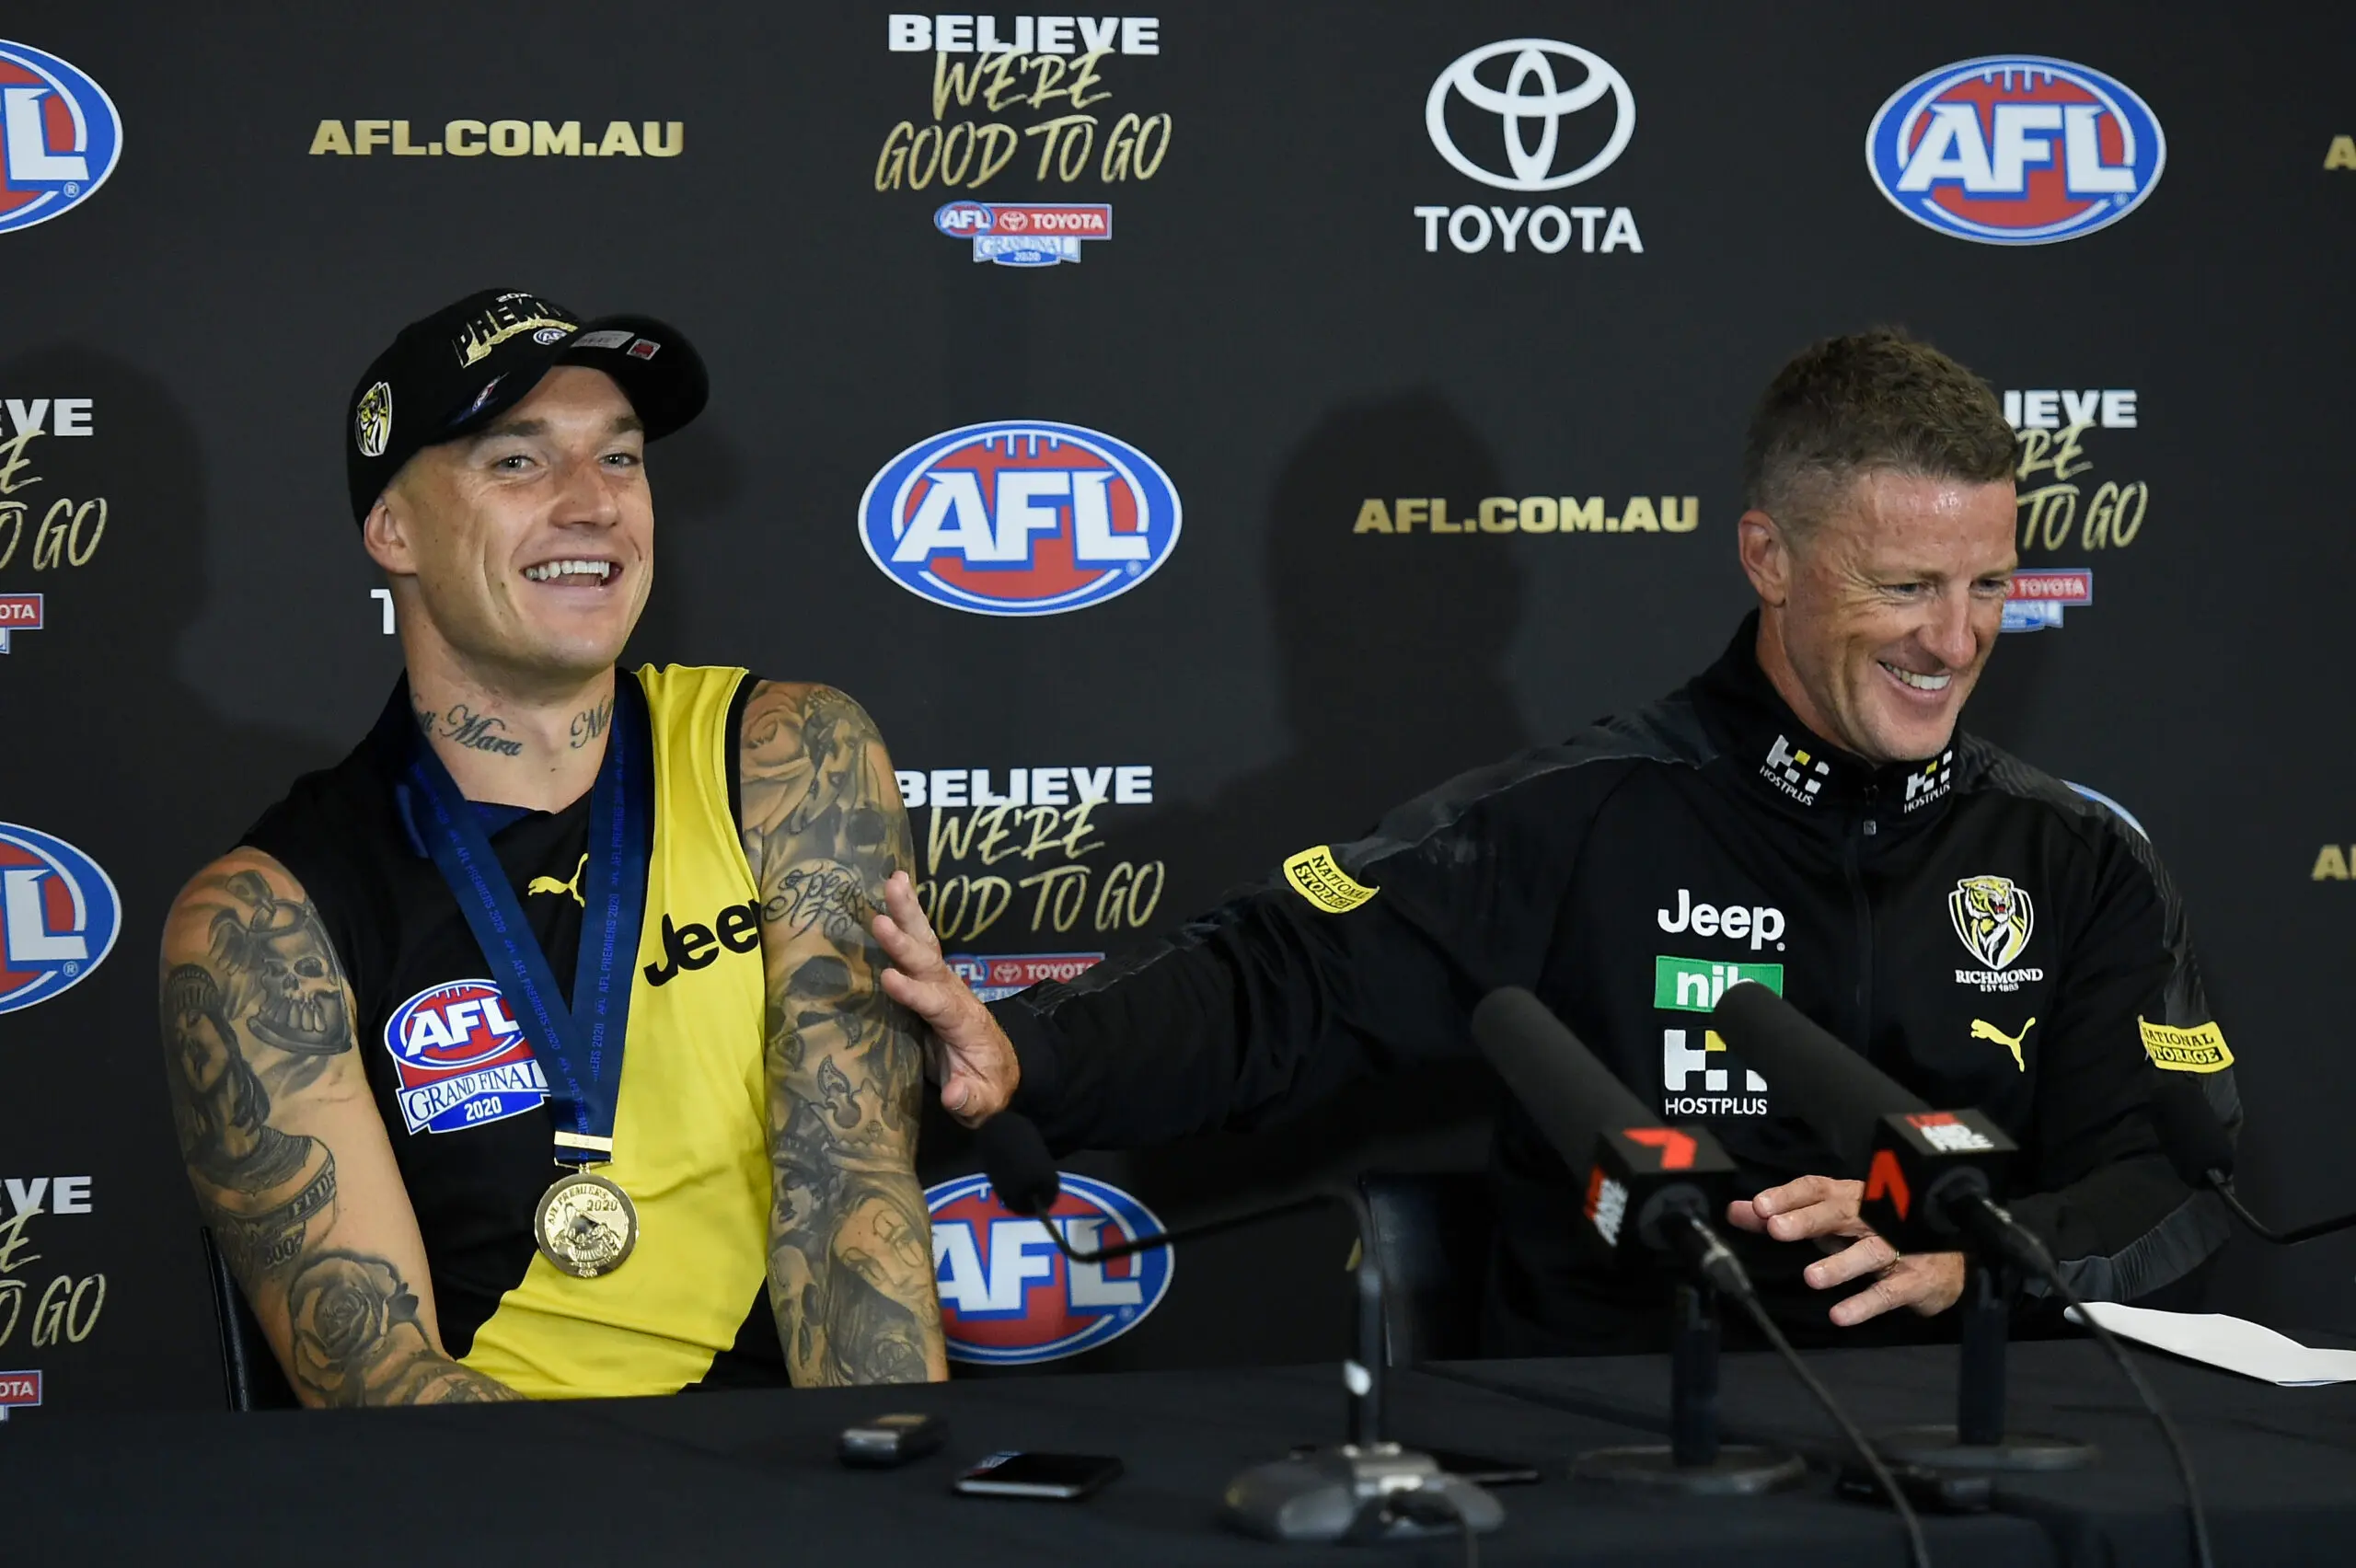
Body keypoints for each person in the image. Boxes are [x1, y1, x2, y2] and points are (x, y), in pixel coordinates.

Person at [879, 329, 2240, 1353]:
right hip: (1626, 1464)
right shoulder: (1581, 815)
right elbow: (1280, 978)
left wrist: (1975, 1263)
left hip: (1968, 1459)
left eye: (1990, 583)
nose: (1956, 639)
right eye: (1904, 586)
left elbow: (2172, 1178)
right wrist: (1033, 1051)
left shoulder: (2078, 862)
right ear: (1768, 558)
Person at [160, 289, 984, 1404]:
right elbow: (377, 1384)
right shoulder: (264, 917)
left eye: (621, 458)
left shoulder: (788, 758)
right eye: (517, 462)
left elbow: (851, 1203)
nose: (594, 503)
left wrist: (879, 1479)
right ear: (393, 531)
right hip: (501, 1485)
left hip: (793, 1467)